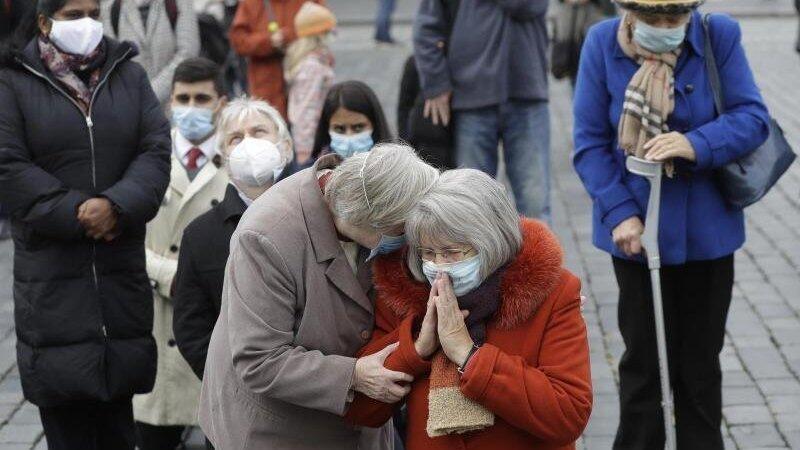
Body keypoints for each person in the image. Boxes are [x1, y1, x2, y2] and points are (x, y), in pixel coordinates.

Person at [572, 0, 770, 448]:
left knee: (700, 367)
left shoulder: (718, 35)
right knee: (643, 366)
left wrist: (695, 142)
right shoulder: (601, 42)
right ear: (629, 13)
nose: (664, 28)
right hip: (636, 234)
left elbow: (752, 117)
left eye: (674, 19)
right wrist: (620, 213)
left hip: (706, 234)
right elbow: (589, 144)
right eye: (652, 20)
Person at [0, 0, 172, 446]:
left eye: (93, 12)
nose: (88, 23)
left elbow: (155, 149)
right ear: (44, 22)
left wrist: (116, 205)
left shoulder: (128, 74)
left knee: (118, 424)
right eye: (74, 14)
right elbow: (8, 167)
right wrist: (77, 212)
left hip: (119, 277)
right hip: (52, 280)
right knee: (68, 420)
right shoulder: (13, 81)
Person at [198, 144, 439, 449]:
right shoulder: (266, 236)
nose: (409, 240)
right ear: (369, 218)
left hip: (361, 428)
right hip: (279, 431)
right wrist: (353, 375)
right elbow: (259, 360)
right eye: (403, 230)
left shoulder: (370, 202)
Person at [345, 169, 592, 449]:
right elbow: (360, 410)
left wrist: (469, 355)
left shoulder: (552, 293)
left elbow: (568, 415)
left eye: (452, 253)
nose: (439, 266)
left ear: (491, 244)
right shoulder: (407, 294)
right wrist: (415, 349)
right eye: (428, 253)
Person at [133, 57, 228, 450]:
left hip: (213, 319)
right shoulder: (144, 156)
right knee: (155, 432)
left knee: (221, 429)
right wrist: (168, 274)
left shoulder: (239, 161)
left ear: (220, 103)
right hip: (155, 318)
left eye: (201, 99)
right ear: (170, 102)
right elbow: (125, 240)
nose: (191, 108)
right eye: (183, 98)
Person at [173, 97, 294, 381]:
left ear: (286, 147)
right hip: (238, 388)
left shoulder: (315, 217)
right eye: (235, 138)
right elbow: (192, 329)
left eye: (259, 132)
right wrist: (233, 386)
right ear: (224, 160)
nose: (248, 144)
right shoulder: (200, 235)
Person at [414, 0, 552, 223]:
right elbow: (426, 30)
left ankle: (537, 249)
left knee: (534, 203)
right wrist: (436, 83)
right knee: (472, 207)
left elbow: (529, 5)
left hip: (526, 94)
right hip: (470, 99)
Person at [229, 0, 324, 118]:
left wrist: (286, 36)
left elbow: (323, 28)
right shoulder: (252, 3)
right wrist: (268, 41)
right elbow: (238, 41)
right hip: (266, 86)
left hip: (304, 80)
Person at [102, 0, 200, 104]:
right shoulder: (110, 6)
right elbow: (112, 61)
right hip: (132, 105)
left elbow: (187, 53)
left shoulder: (180, 3)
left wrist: (151, 93)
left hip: (173, 104)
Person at [285, 2, 335, 166]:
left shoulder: (312, 61)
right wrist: (306, 151)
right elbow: (307, 109)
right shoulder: (313, 66)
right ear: (320, 34)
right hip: (311, 145)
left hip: (313, 139)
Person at [307, 80, 392, 165]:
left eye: (358, 127)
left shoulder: (393, 166)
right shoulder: (312, 170)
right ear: (327, 127)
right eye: (339, 129)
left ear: (374, 124)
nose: (349, 137)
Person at [397, 55, 453, 169]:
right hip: (423, 145)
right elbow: (404, 108)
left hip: (453, 145)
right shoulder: (415, 63)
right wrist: (405, 143)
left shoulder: (461, 64)